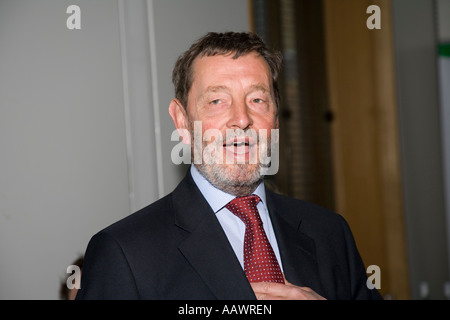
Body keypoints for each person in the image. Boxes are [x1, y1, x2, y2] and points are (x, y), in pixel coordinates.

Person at [76, 31, 382, 300]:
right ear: (182, 121)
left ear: (276, 118)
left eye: (257, 100)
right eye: (217, 101)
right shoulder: (124, 253)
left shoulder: (331, 233)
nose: (241, 119)